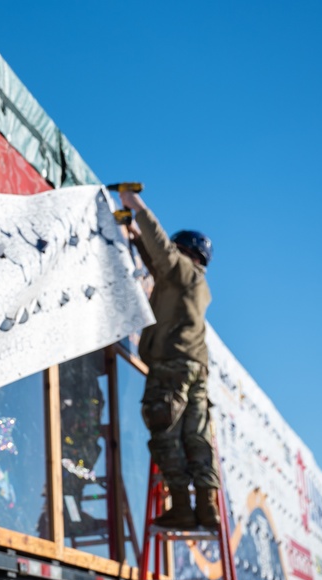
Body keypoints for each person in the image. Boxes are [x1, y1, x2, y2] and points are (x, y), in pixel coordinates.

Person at [120, 190, 218, 530]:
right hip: (195, 366)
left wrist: (137, 206)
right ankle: (208, 508)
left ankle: (181, 506)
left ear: (185, 251)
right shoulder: (194, 283)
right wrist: (133, 233)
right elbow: (158, 264)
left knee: (165, 429)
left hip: (171, 364)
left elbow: (162, 252)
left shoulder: (182, 271)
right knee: (195, 435)